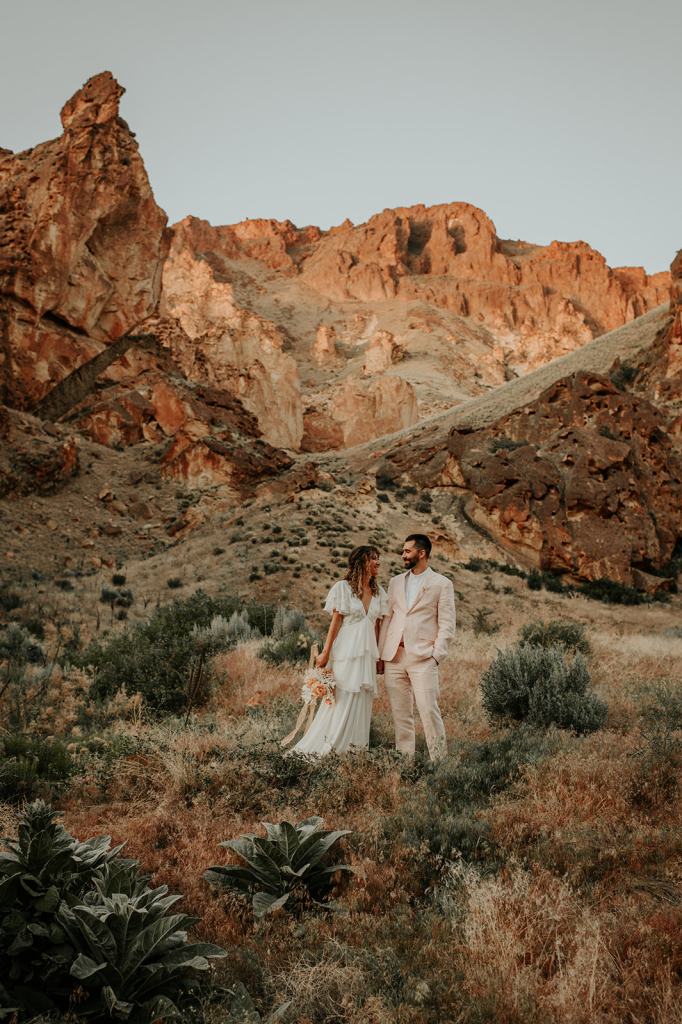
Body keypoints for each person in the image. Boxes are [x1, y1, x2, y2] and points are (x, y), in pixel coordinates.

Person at [290, 546, 388, 756]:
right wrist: (325, 653)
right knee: (342, 696)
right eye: (373, 559)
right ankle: (331, 747)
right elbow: (335, 623)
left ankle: (356, 750)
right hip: (346, 651)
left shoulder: (380, 593)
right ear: (361, 561)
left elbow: (378, 627)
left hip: (368, 653)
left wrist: (379, 656)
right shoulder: (342, 588)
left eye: (378, 559)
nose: (378, 563)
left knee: (362, 697)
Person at [378, 534, 456, 760]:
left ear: (421, 553)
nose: (403, 555)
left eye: (407, 551)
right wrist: (382, 654)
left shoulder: (442, 584)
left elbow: (447, 624)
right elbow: (387, 619)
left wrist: (436, 656)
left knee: (429, 711)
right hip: (394, 657)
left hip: (423, 658)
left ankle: (440, 763)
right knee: (401, 714)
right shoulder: (395, 582)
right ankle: (405, 762)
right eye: (403, 551)